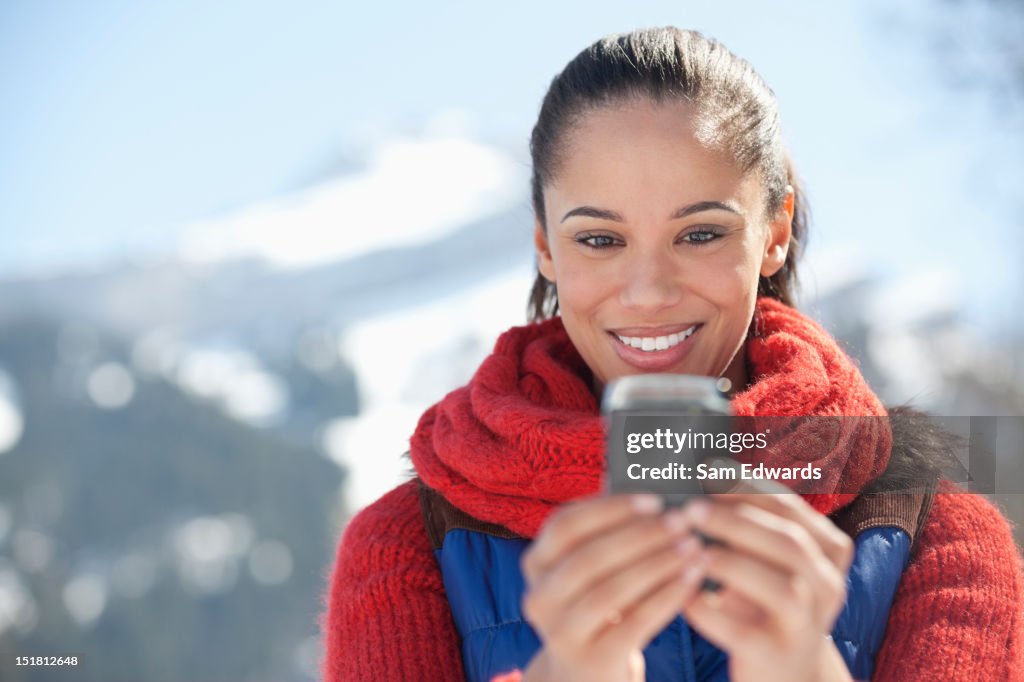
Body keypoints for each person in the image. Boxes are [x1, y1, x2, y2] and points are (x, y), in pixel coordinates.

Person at [320, 27, 1024, 681]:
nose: (649, 292)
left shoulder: (939, 539)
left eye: (701, 234)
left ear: (773, 233)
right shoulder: (408, 543)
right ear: (545, 246)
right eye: (600, 239)